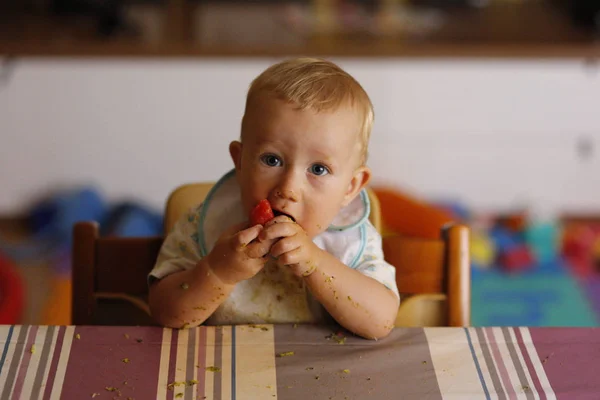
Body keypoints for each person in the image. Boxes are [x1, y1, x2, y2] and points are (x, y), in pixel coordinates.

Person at [148, 57, 399, 339]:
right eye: (272, 159)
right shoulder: (201, 225)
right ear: (240, 162)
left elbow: (380, 323)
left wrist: (316, 263)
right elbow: (164, 313)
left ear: (351, 187)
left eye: (318, 169)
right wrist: (218, 272)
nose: (288, 188)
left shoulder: (351, 239)